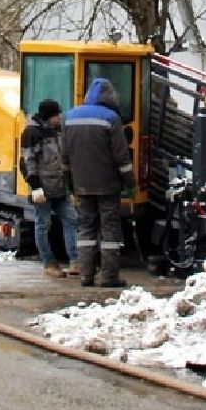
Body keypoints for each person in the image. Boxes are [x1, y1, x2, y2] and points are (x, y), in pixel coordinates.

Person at [61, 77, 134, 288]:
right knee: (109, 230)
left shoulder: (69, 117)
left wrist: (70, 185)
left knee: (85, 229)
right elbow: (122, 158)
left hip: (81, 185)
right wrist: (131, 184)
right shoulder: (111, 119)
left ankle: (86, 275)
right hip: (108, 185)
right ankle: (109, 277)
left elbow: (64, 157)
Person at [20, 99, 77, 277]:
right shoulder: (32, 133)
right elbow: (28, 162)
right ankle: (49, 263)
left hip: (59, 186)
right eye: (56, 115)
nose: (59, 117)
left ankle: (75, 260)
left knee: (72, 220)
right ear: (48, 116)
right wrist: (35, 186)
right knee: (43, 224)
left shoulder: (56, 131)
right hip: (42, 188)